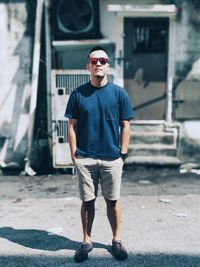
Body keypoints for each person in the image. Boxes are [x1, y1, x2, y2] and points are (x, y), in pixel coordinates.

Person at [65, 46, 134, 263]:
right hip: (85, 157)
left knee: (112, 201)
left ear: (108, 65)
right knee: (88, 201)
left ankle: (116, 240)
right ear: (88, 66)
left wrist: (122, 154)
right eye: (94, 61)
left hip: (112, 158)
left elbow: (126, 126)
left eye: (102, 60)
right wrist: (74, 155)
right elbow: (71, 126)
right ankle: (86, 241)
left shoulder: (119, 93)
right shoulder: (77, 94)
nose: (98, 64)